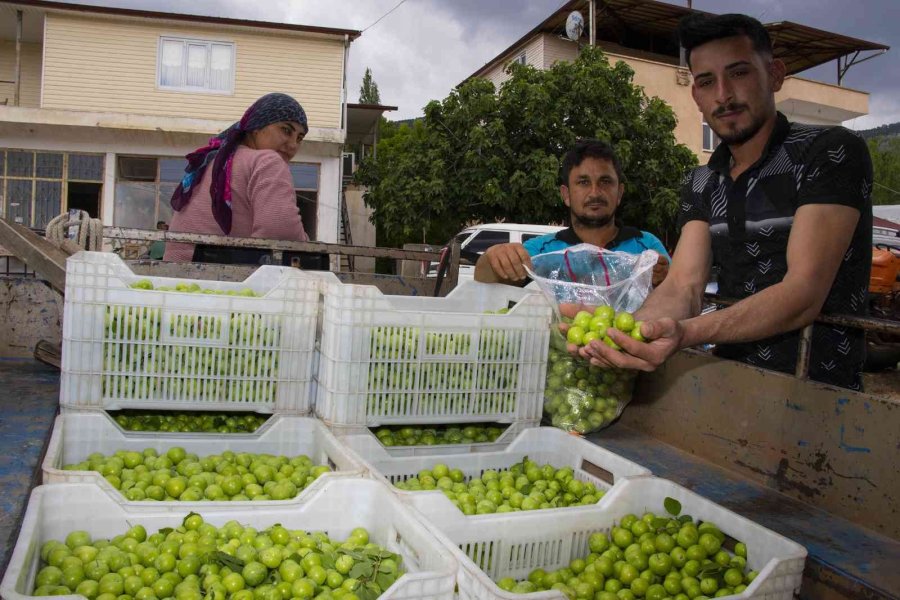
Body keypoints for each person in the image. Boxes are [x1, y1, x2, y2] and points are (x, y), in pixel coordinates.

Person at [580, 13, 873, 390]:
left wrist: (685, 332)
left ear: (776, 74)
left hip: (820, 395)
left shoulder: (829, 151)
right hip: (729, 385)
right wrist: (630, 333)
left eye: (739, 73)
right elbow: (683, 286)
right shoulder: (701, 181)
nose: (723, 94)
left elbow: (803, 292)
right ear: (696, 95)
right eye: (706, 81)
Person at [474, 139, 670, 286]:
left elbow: (678, 292)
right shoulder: (543, 250)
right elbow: (484, 278)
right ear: (566, 194)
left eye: (605, 181)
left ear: (619, 193)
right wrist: (494, 256)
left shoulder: (647, 246)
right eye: (583, 182)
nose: (595, 192)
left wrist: (662, 279)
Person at [164, 93, 310, 262]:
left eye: (299, 138)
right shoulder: (267, 161)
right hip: (220, 281)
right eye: (286, 130)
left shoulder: (213, 161)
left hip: (175, 277)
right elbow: (281, 231)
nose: (293, 145)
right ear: (257, 127)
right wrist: (307, 243)